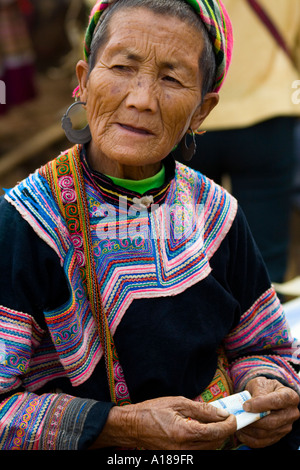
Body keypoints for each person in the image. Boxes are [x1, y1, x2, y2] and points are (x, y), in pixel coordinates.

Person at [0, 0, 300, 451]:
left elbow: (267, 347)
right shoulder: (27, 224)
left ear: (202, 111)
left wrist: (264, 386)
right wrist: (117, 426)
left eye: (172, 78)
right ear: (83, 82)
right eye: (122, 67)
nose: (140, 98)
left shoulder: (214, 213)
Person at [178, 0, 300, 285]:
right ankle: (268, 324)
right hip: (267, 112)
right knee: (265, 261)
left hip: (185, 117)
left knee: (185, 255)